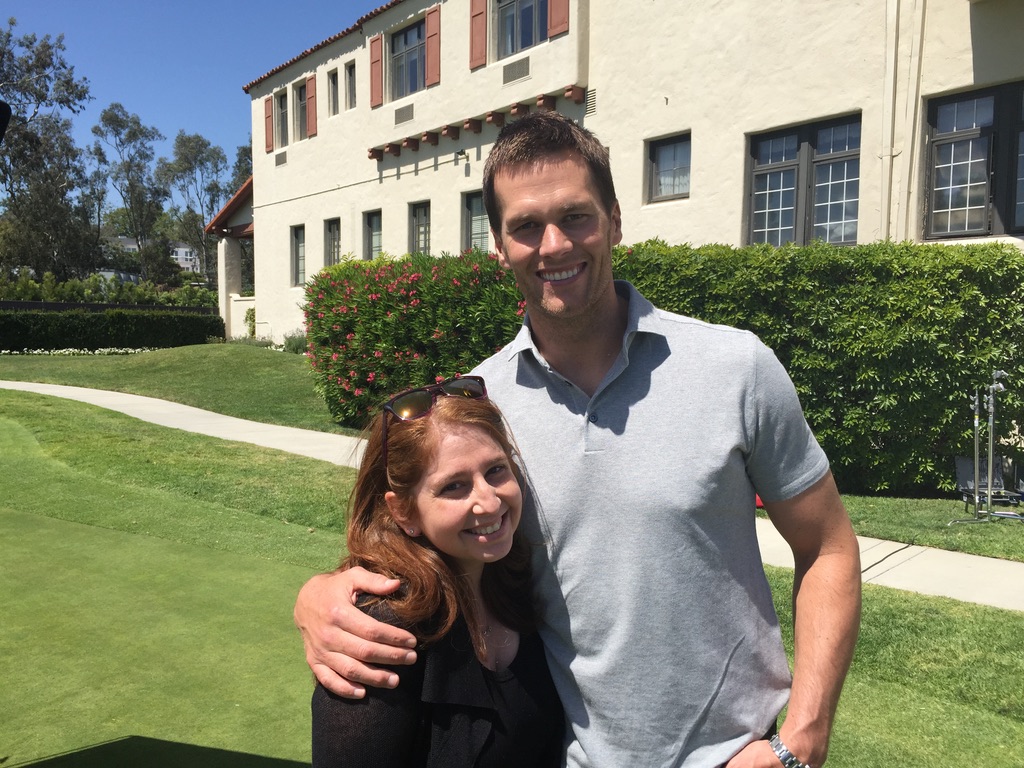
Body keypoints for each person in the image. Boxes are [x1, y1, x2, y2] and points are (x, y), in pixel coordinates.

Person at [296, 112, 862, 768]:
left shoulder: (736, 368)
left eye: (576, 215)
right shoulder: (479, 406)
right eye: (526, 227)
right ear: (500, 247)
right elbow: (419, 543)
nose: (554, 244)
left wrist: (804, 738)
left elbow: (827, 546)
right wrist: (317, 597)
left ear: (615, 221)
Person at [310, 375, 564, 767]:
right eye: (454, 487)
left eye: (496, 470)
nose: (488, 501)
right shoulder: (384, 631)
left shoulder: (518, 583)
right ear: (404, 512)